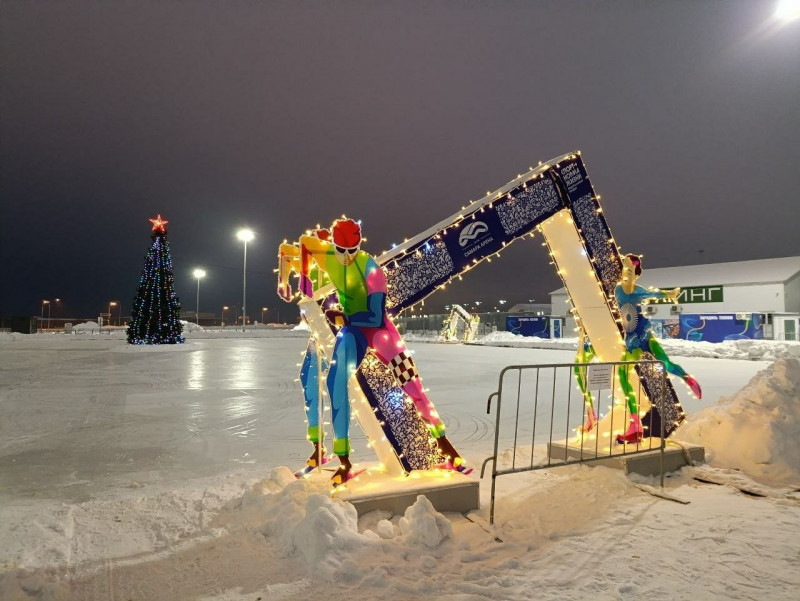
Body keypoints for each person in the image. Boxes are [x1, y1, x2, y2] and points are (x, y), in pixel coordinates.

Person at [279, 218, 463, 484]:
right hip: (353, 329)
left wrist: (343, 318)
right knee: (332, 380)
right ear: (333, 244)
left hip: (377, 330)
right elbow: (299, 246)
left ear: (358, 246)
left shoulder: (369, 268)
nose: (345, 257)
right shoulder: (329, 254)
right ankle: (341, 459)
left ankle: (444, 442)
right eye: (340, 251)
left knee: (412, 384)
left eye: (350, 252)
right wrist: (292, 278)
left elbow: (376, 316)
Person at [615, 254, 702, 443]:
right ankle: (635, 425)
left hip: (640, 337)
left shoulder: (634, 290)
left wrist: (668, 295)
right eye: (624, 270)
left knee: (657, 366)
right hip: (638, 337)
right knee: (627, 374)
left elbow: (652, 294)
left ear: (636, 275)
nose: (626, 274)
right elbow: (647, 297)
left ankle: (687, 379)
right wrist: (667, 295)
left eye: (630, 271)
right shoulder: (625, 290)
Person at [573, 326, 598, 433]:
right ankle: (591, 416)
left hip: (596, 338)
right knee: (578, 370)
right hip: (590, 338)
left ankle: (592, 416)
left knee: (579, 370)